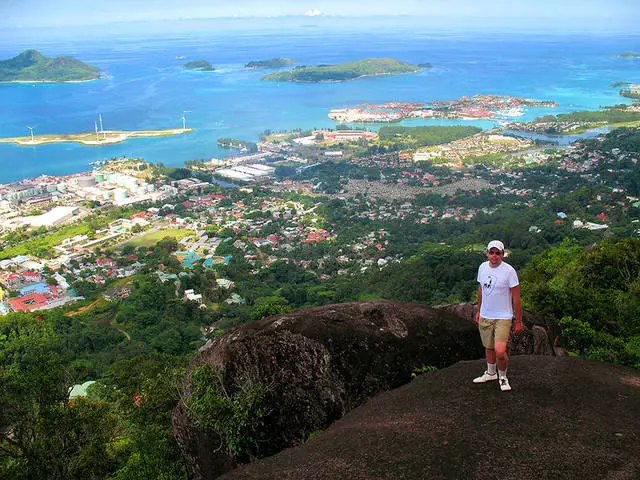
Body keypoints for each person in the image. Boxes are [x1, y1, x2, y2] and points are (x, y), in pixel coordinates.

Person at [474, 240, 523, 391]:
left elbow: (516, 298)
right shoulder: (482, 267)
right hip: (486, 314)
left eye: (498, 253)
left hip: (503, 316)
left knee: (500, 351)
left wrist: (519, 321)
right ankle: (490, 373)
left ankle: (502, 377)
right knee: (488, 347)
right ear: (487, 253)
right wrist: (479, 310)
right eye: (492, 252)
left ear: (502, 254)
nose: (494, 256)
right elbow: (481, 290)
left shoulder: (509, 271)